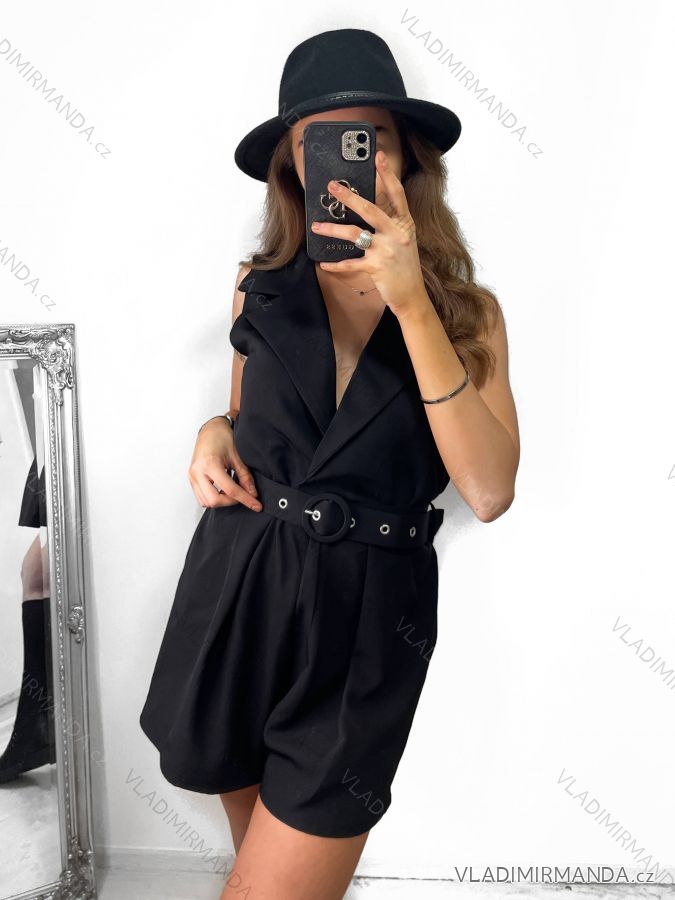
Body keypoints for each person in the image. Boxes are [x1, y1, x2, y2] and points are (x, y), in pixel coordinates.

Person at [140, 27, 519, 900]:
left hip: (368, 620)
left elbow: (489, 489)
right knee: (256, 873)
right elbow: (249, 421)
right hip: (238, 587)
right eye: (321, 142)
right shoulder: (260, 283)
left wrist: (411, 302)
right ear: (293, 167)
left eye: (368, 137)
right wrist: (212, 430)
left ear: (407, 155)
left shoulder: (468, 313)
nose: (346, 162)